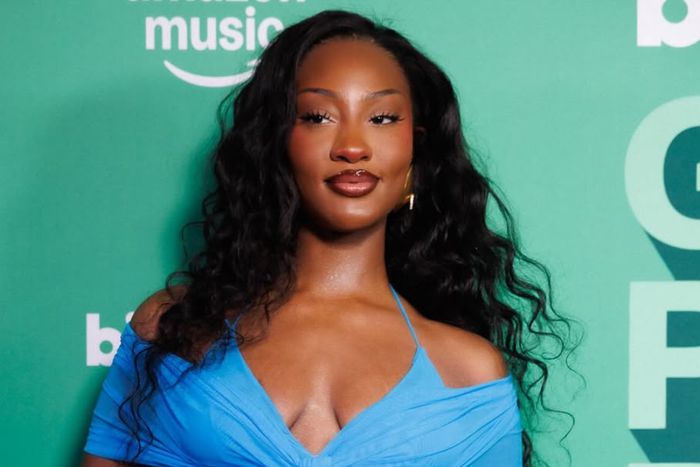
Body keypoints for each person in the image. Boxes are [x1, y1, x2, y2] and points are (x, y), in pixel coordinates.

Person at [83, 9, 573, 467]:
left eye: (382, 118)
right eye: (318, 116)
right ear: (277, 141)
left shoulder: (468, 372)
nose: (353, 147)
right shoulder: (173, 328)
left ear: (416, 150)